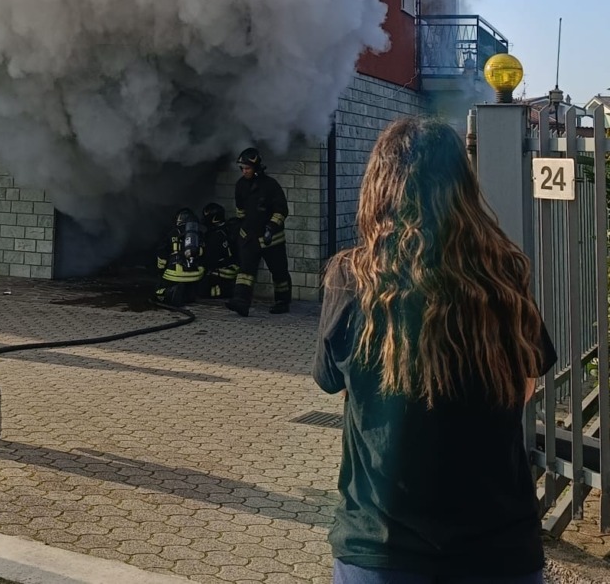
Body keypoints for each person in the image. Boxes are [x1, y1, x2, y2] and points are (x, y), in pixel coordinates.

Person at [314, 117, 556, 583]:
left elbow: (336, 384)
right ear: (463, 188)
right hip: (499, 548)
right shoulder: (503, 274)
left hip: (381, 548)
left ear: (378, 188)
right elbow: (524, 388)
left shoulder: (351, 278)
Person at [226, 147, 291, 316]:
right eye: (242, 168)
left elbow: (281, 210)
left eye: (247, 168)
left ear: (256, 168)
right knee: (245, 271)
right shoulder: (240, 185)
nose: (244, 171)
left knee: (279, 272)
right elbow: (241, 211)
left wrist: (271, 227)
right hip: (250, 238)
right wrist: (240, 230)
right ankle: (241, 302)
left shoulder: (270, 186)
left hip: (272, 239)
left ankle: (282, 302)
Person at [155, 206, 204, 307]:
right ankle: (188, 294)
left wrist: (161, 271)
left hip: (176, 274)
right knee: (188, 292)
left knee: (159, 291)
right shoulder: (198, 234)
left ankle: (171, 291)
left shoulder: (172, 233)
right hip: (196, 274)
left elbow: (162, 255)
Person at [200, 202, 238, 299]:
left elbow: (209, 259)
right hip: (233, 268)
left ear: (214, 218)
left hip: (222, 271)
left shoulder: (215, 235)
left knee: (200, 290)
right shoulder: (227, 229)